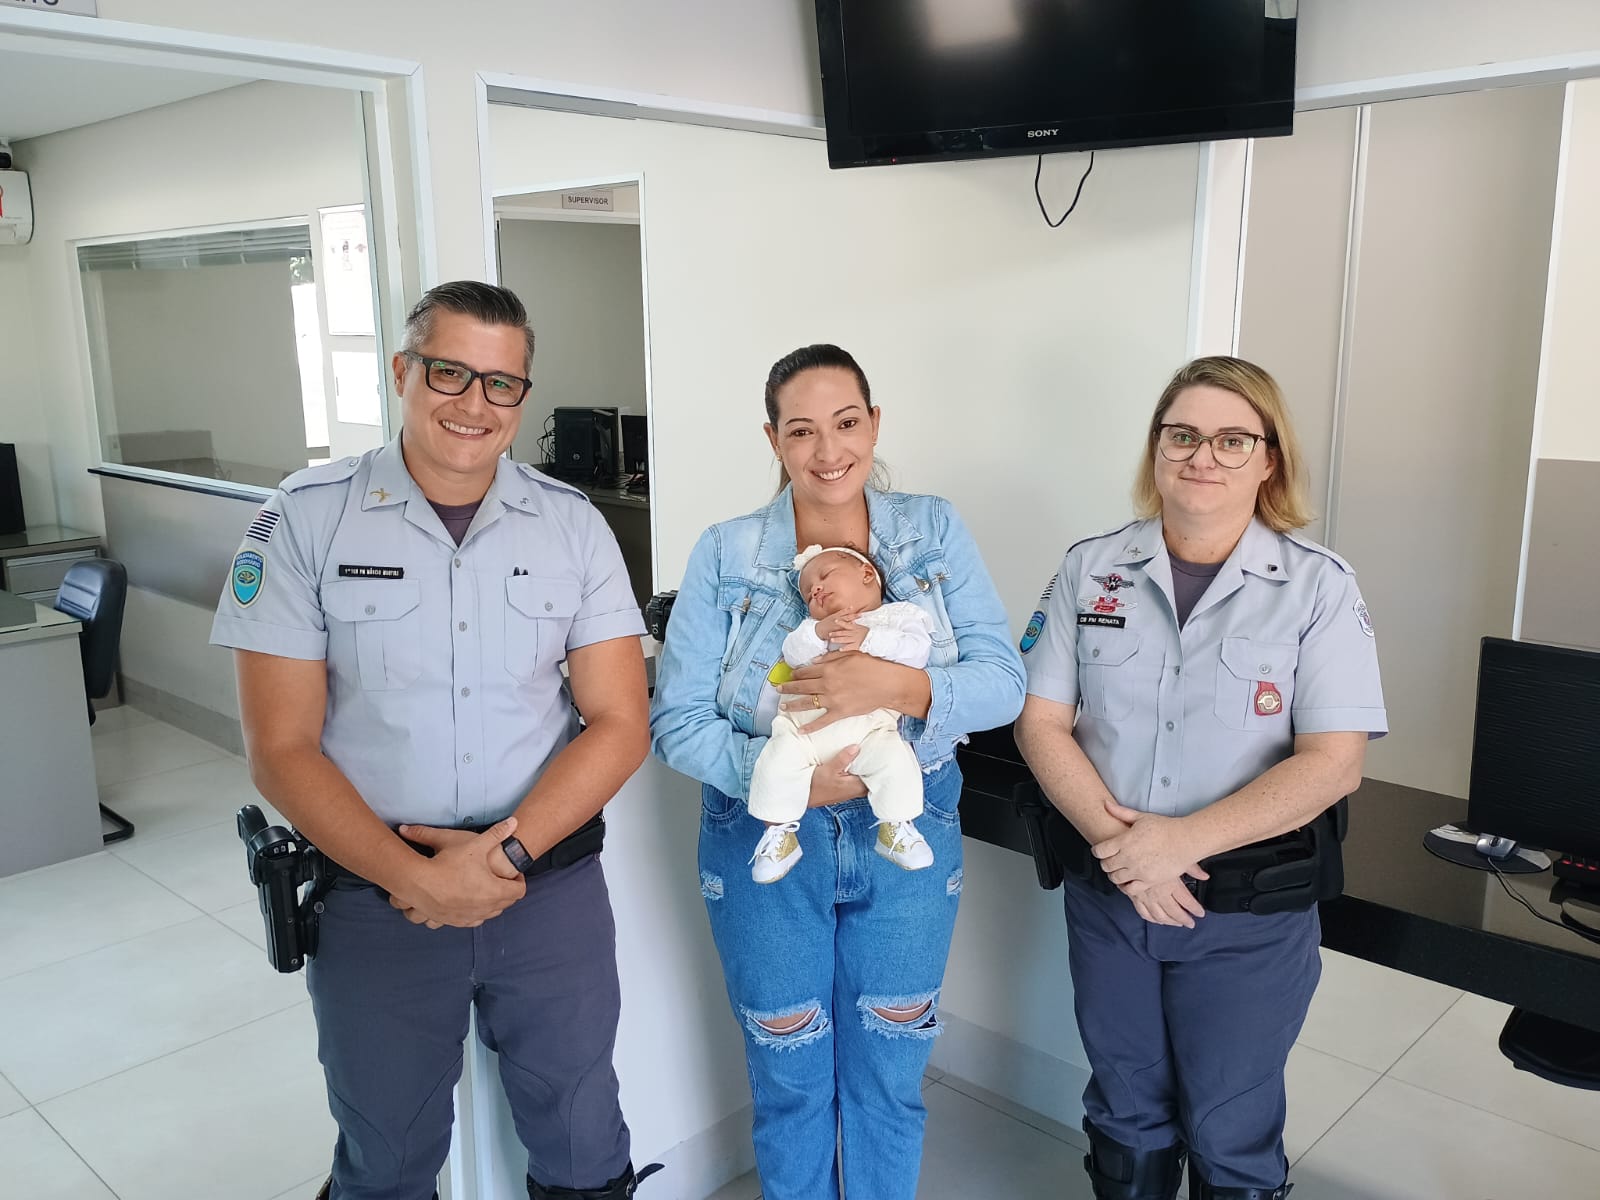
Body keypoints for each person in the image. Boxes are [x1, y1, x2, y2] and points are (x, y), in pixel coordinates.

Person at [210, 281, 655, 1200]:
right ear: (403, 371)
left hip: (547, 888)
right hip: (377, 896)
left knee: (583, 1137)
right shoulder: (305, 516)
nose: (474, 404)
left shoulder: (573, 524)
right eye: (450, 372)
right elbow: (281, 747)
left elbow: (619, 722)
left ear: (522, 396)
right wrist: (415, 879)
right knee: (387, 1153)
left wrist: (503, 856)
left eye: (502, 383)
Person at [649, 343, 1025, 1200]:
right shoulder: (726, 552)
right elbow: (676, 724)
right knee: (789, 1079)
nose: (828, 451)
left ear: (875, 423)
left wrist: (890, 686)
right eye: (802, 430)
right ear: (774, 440)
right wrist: (782, 777)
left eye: (847, 422)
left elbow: (1003, 682)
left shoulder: (931, 531)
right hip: (763, 837)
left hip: (909, 828)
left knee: (891, 1074)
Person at [1014, 356, 1386, 1200]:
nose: (1202, 456)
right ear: (1156, 448)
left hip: (1245, 913)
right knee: (1123, 1116)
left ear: (1269, 459)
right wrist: (1128, 852)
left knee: (1230, 1130)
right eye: (1181, 434)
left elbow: (1335, 762)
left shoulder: (1318, 587)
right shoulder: (1089, 569)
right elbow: (1041, 723)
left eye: (1231, 439)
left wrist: (1179, 844)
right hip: (1112, 899)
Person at [746, 542, 937, 883]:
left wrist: (868, 638)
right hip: (804, 732)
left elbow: (917, 653)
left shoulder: (897, 617)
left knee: (896, 760)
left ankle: (896, 826)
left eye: (825, 576)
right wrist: (819, 632)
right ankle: (778, 835)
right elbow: (793, 653)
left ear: (867, 574)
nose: (815, 590)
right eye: (808, 593)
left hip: (870, 731)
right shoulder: (811, 628)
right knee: (773, 763)